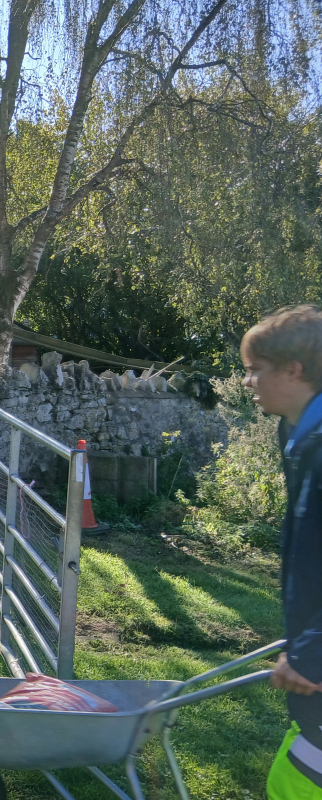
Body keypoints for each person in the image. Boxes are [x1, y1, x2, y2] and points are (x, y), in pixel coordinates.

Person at [240, 305, 322, 799]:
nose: (248, 381)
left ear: (293, 370)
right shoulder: (298, 438)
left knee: (290, 784)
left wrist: (314, 651)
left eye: (256, 369)